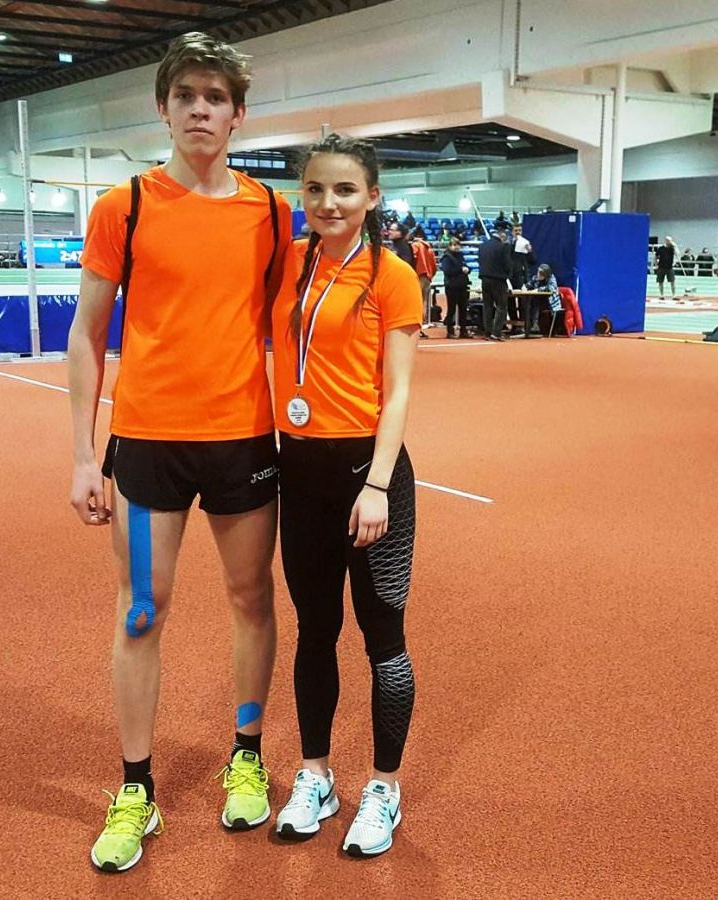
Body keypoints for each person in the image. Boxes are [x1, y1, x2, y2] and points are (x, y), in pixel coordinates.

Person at [68, 31, 291, 874]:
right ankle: (136, 789)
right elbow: (86, 335)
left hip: (243, 439)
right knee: (141, 611)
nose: (201, 109)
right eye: (186, 95)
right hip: (149, 442)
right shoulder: (123, 206)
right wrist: (82, 455)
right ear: (162, 108)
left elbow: (290, 326)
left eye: (215, 97)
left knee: (252, 599)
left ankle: (247, 754)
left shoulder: (271, 212)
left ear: (238, 114)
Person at [270, 132, 419, 858]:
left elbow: (398, 393)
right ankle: (316, 775)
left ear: (372, 196)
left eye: (345, 190)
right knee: (314, 630)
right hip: (298, 474)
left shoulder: (392, 275)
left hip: (370, 476)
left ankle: (384, 787)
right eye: (315, 189)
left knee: (382, 638)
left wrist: (378, 484)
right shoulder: (287, 264)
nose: (328, 203)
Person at [477, 228, 512, 340]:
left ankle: (487, 331)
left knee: (487, 306)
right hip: (498, 280)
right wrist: (508, 274)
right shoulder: (503, 247)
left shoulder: (482, 246)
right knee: (501, 306)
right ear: (502, 236)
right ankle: (496, 332)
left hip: (484, 279)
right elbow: (507, 264)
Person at [439, 236, 471, 338]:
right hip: (451, 287)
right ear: (449, 246)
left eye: (457, 245)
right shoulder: (446, 257)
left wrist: (468, 269)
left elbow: (466, 266)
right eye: (454, 245)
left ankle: (463, 330)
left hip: (462, 285)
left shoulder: (460, 256)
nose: (456, 247)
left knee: (463, 309)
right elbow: (447, 271)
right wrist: (461, 270)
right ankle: (450, 331)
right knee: (451, 310)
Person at [409, 226, 437, 325]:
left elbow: (412, 259)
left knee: (415, 301)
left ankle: (416, 322)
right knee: (424, 300)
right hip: (427, 277)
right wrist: (430, 275)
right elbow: (434, 265)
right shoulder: (429, 248)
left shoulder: (415, 245)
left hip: (418, 275)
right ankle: (423, 321)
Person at [529, 263, 562, 334]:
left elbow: (551, 288)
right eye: (538, 272)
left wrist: (538, 290)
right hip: (538, 300)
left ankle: (535, 325)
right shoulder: (535, 277)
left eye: (540, 273)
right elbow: (529, 284)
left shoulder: (552, 278)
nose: (538, 274)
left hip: (550, 302)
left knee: (536, 303)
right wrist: (525, 287)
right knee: (529, 303)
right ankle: (529, 326)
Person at [654, 235, 677, 299]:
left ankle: (674, 295)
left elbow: (678, 254)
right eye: (668, 241)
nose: (670, 242)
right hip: (661, 267)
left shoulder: (672, 248)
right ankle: (662, 295)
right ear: (666, 241)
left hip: (669, 267)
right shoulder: (661, 248)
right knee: (660, 281)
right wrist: (656, 264)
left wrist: (675, 246)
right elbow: (656, 256)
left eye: (670, 241)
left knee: (672, 281)